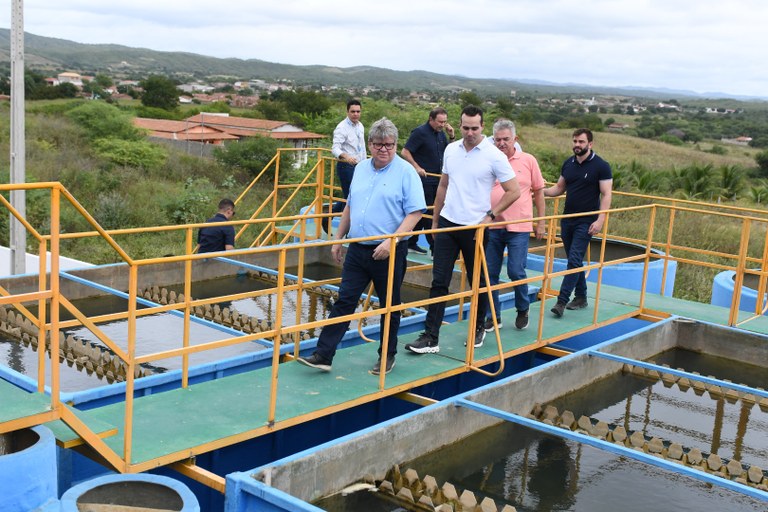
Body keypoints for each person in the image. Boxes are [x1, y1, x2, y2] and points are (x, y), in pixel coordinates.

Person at [298, 118, 426, 375]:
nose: (384, 150)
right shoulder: (361, 168)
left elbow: (415, 213)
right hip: (357, 248)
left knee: (389, 306)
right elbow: (350, 205)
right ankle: (323, 354)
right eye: (378, 144)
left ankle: (387, 356)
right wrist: (339, 237)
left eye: (389, 145)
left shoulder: (406, 172)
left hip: (387, 251)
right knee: (344, 300)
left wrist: (393, 241)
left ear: (395, 144)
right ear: (369, 144)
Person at [405, 105, 520, 355]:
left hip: (475, 228)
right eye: (465, 127)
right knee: (439, 282)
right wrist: (434, 222)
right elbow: (443, 186)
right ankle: (430, 337)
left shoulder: (493, 155)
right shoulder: (450, 149)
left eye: (475, 128)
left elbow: (514, 190)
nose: (469, 133)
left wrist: (490, 216)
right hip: (447, 223)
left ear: (482, 127)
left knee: (477, 282)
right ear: (459, 126)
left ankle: (478, 326)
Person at [543, 128, 613, 318]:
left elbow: (606, 194)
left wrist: (600, 220)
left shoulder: (601, 166)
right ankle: (581, 297)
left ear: (590, 144)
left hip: (587, 221)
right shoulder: (569, 163)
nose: (577, 145)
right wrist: (539, 190)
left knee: (574, 259)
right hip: (567, 220)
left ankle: (561, 301)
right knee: (575, 261)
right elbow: (559, 188)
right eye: (575, 141)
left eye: (581, 142)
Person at [484, 119, 546, 332]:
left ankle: (522, 308)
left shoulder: (528, 160)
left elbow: (538, 191)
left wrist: (541, 221)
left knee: (515, 270)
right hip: (492, 225)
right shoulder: (488, 160)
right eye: (497, 139)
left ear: (515, 139)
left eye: (506, 139)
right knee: (489, 273)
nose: (501, 143)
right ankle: (493, 316)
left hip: (519, 226)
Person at [401, 107, 455, 255]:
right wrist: (417, 167)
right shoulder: (420, 132)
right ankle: (434, 247)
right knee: (429, 213)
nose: (442, 125)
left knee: (426, 213)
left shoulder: (441, 134)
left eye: (444, 122)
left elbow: (449, 152)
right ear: (431, 119)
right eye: (440, 122)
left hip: (437, 179)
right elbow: (405, 151)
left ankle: (411, 242)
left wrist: (451, 136)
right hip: (423, 180)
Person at [330, 99, 365, 215]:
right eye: (353, 111)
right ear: (347, 112)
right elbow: (335, 148)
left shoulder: (360, 126)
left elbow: (362, 147)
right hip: (346, 166)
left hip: (359, 166)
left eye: (358, 111)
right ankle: (341, 225)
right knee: (351, 197)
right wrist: (346, 156)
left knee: (353, 195)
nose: (356, 114)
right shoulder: (342, 127)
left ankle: (328, 216)